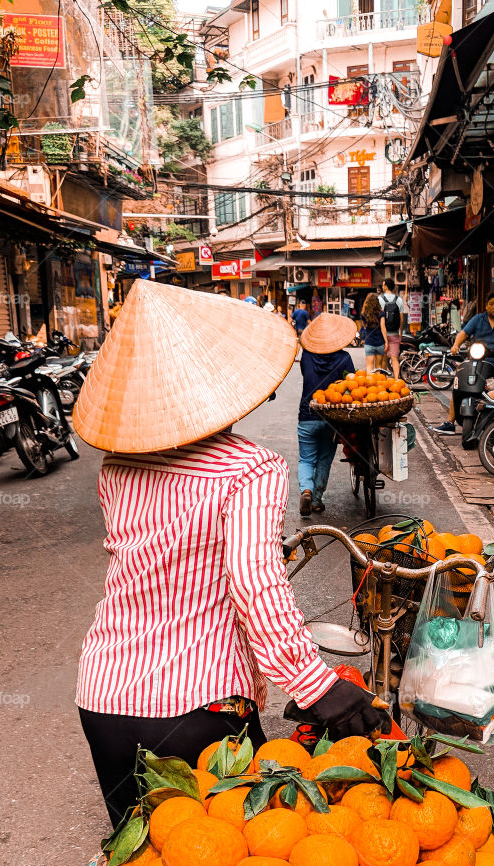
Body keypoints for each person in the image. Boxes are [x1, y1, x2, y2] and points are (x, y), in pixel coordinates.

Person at [71, 280, 386, 826]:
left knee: (145, 860)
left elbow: (146, 557)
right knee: (247, 861)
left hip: (104, 698)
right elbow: (254, 586)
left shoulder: (116, 465)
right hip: (199, 706)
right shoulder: (249, 470)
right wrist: (316, 686)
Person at [297, 312, 356, 517]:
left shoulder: (307, 356)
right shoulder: (345, 358)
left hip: (307, 414)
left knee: (306, 459)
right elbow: (351, 385)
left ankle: (306, 489)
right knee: (324, 458)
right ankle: (316, 500)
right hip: (332, 418)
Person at [441, 291, 494, 434]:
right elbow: (464, 333)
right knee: (459, 385)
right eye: (491, 304)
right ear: (486, 306)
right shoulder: (478, 319)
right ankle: (450, 422)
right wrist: (456, 345)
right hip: (477, 360)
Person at [378, 276, 406, 378]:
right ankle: (397, 380)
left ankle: (383, 380)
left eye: (383, 285)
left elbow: (378, 318)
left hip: (382, 335)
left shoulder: (380, 299)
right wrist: (400, 333)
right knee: (394, 358)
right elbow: (402, 319)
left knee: (383, 359)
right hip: (394, 333)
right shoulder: (399, 300)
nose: (382, 287)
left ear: (385, 286)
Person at [361, 292, 386, 373]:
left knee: (369, 366)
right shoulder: (381, 313)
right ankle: (378, 381)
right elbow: (383, 327)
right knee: (378, 367)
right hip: (380, 343)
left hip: (369, 343)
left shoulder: (364, 314)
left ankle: (370, 381)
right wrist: (386, 341)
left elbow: (364, 326)